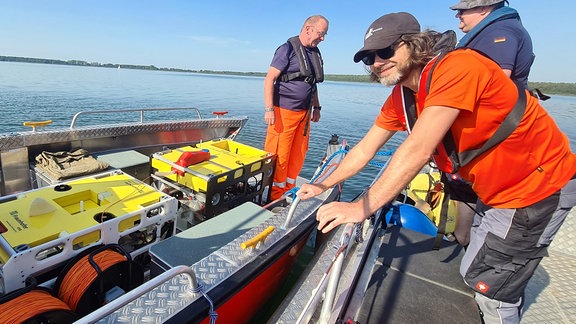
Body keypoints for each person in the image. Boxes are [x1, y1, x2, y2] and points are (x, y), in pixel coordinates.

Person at [297, 12, 576, 324]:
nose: (377, 62)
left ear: (414, 45)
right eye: (369, 58)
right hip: (493, 191)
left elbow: (418, 148)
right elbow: (365, 148)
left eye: (386, 51)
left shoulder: (458, 67)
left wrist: (362, 208)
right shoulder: (402, 96)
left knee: (491, 289)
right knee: (474, 267)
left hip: (535, 187)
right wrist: (323, 185)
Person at [449, 0, 538, 247]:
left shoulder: (500, 33)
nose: (458, 17)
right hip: (495, 136)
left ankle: (471, 250)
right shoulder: (494, 30)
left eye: (462, 11)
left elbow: (493, 87)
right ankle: (468, 243)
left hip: (500, 138)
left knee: (488, 203)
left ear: (483, 9)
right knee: (479, 199)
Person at [263, 15, 329, 201]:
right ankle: (273, 198)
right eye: (321, 33)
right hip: (283, 112)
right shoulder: (287, 49)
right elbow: (269, 79)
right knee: (280, 156)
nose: (323, 38)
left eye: (325, 35)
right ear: (308, 29)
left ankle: (287, 192)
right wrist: (269, 109)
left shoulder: (315, 53)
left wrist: (317, 107)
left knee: (298, 155)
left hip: (305, 114)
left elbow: (312, 83)